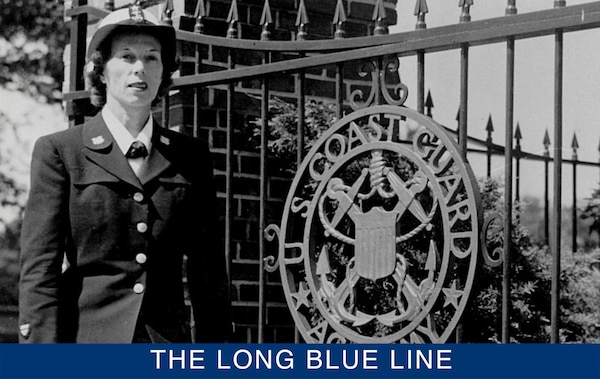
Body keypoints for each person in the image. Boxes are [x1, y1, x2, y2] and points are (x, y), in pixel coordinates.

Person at [18, 4, 231, 343]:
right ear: (100, 71)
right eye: (126, 57)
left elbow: (208, 273)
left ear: (163, 73)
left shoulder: (190, 156)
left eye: (151, 58)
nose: (140, 69)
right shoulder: (61, 151)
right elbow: (40, 270)